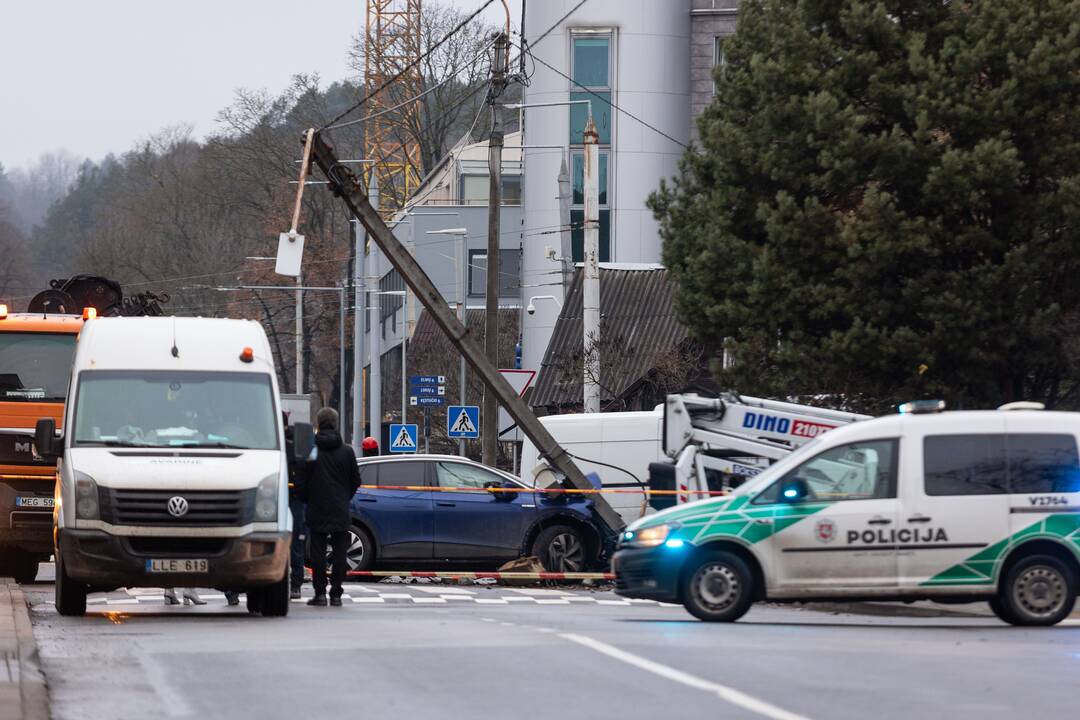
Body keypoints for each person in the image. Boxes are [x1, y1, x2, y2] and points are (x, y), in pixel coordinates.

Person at [302, 408, 360, 607]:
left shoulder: (311, 451)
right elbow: (355, 480)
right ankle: (336, 593)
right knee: (340, 552)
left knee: (317, 553)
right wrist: (344, 497)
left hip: (316, 508)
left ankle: (319, 593)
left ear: (318, 424)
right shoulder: (347, 451)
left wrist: (307, 499)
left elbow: (302, 480)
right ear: (335, 424)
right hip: (339, 508)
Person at [284, 414, 307, 599]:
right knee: (296, 543)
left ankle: (296, 583)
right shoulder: (298, 445)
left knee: (295, 543)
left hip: (289, 497)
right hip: (295, 498)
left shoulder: (289, 445)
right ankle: (295, 584)